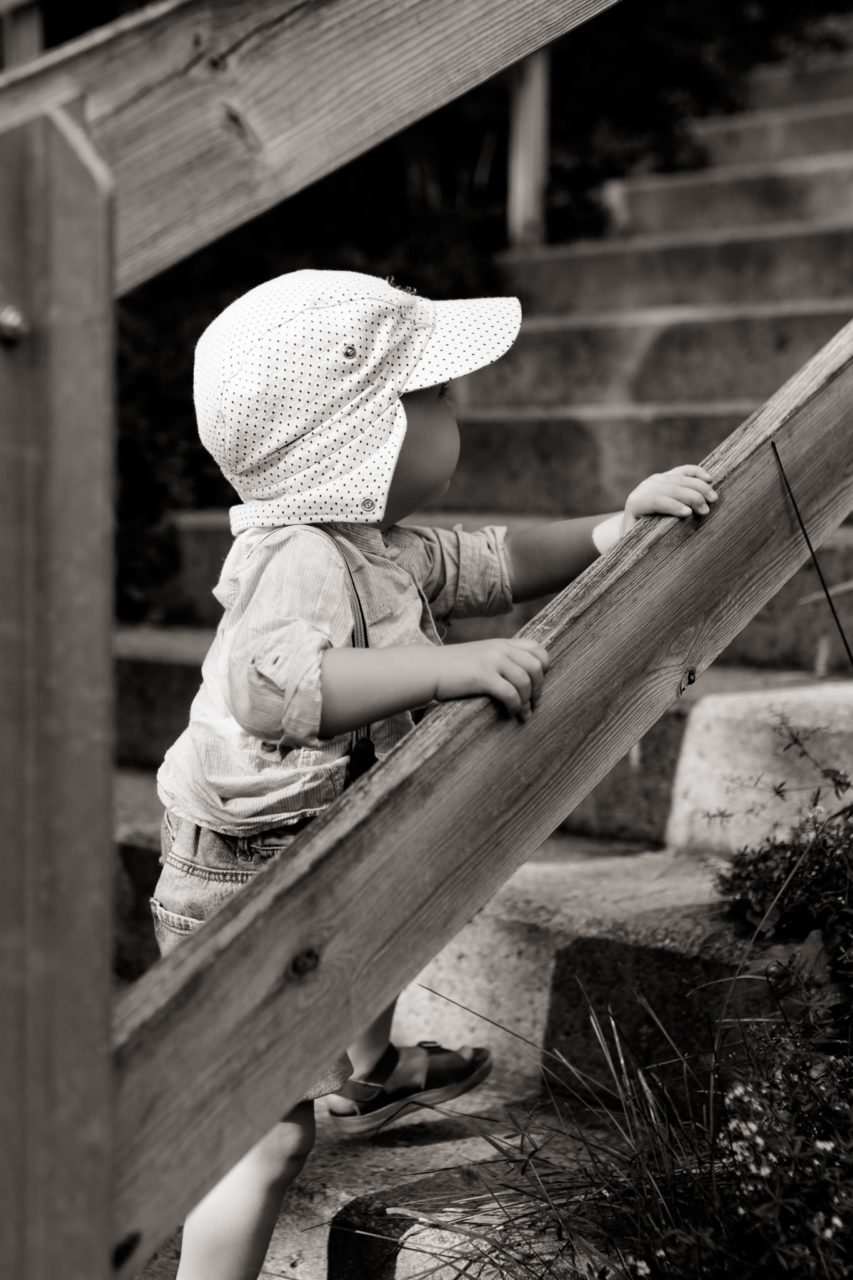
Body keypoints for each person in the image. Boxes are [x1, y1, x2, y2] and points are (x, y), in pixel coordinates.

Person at [152, 268, 718, 1279]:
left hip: (325, 844)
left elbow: (491, 561)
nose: (458, 412)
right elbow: (273, 687)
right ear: (361, 437)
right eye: (437, 397)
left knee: (390, 901)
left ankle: (371, 1068)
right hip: (240, 887)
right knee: (263, 1135)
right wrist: (446, 669)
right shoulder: (299, 558)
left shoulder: (376, 546)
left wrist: (614, 528)